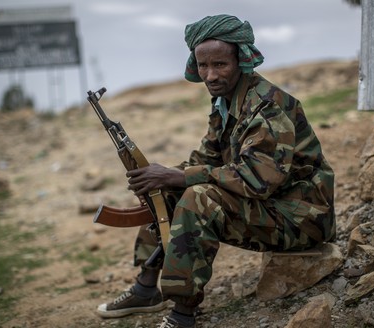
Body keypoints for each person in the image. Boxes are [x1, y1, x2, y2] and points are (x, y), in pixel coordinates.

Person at [96, 14, 336, 328]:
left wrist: (181, 176)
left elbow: (259, 180)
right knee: (167, 189)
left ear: (242, 61)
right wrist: (156, 175)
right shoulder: (225, 102)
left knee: (198, 197)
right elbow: (205, 159)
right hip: (271, 208)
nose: (210, 75)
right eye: (203, 66)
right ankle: (146, 288)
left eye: (220, 65)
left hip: (301, 218)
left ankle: (183, 313)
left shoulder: (267, 106)